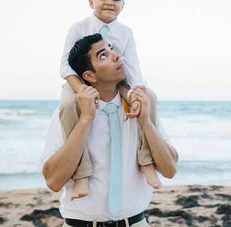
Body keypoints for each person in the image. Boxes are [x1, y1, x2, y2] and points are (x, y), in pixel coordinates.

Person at [42, 33, 178, 226]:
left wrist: (146, 122)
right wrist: (86, 120)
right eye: (103, 55)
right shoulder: (68, 114)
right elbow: (53, 181)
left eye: (113, 49)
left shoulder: (140, 106)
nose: (116, 55)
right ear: (89, 76)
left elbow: (170, 169)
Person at [59, 0, 161, 201]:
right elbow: (65, 65)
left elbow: (133, 66)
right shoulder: (78, 27)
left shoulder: (126, 33)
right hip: (80, 81)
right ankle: (81, 174)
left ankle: (146, 161)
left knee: (148, 98)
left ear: (123, 5)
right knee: (68, 106)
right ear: (90, 1)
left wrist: (137, 92)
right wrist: (81, 90)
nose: (109, 3)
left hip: (117, 80)